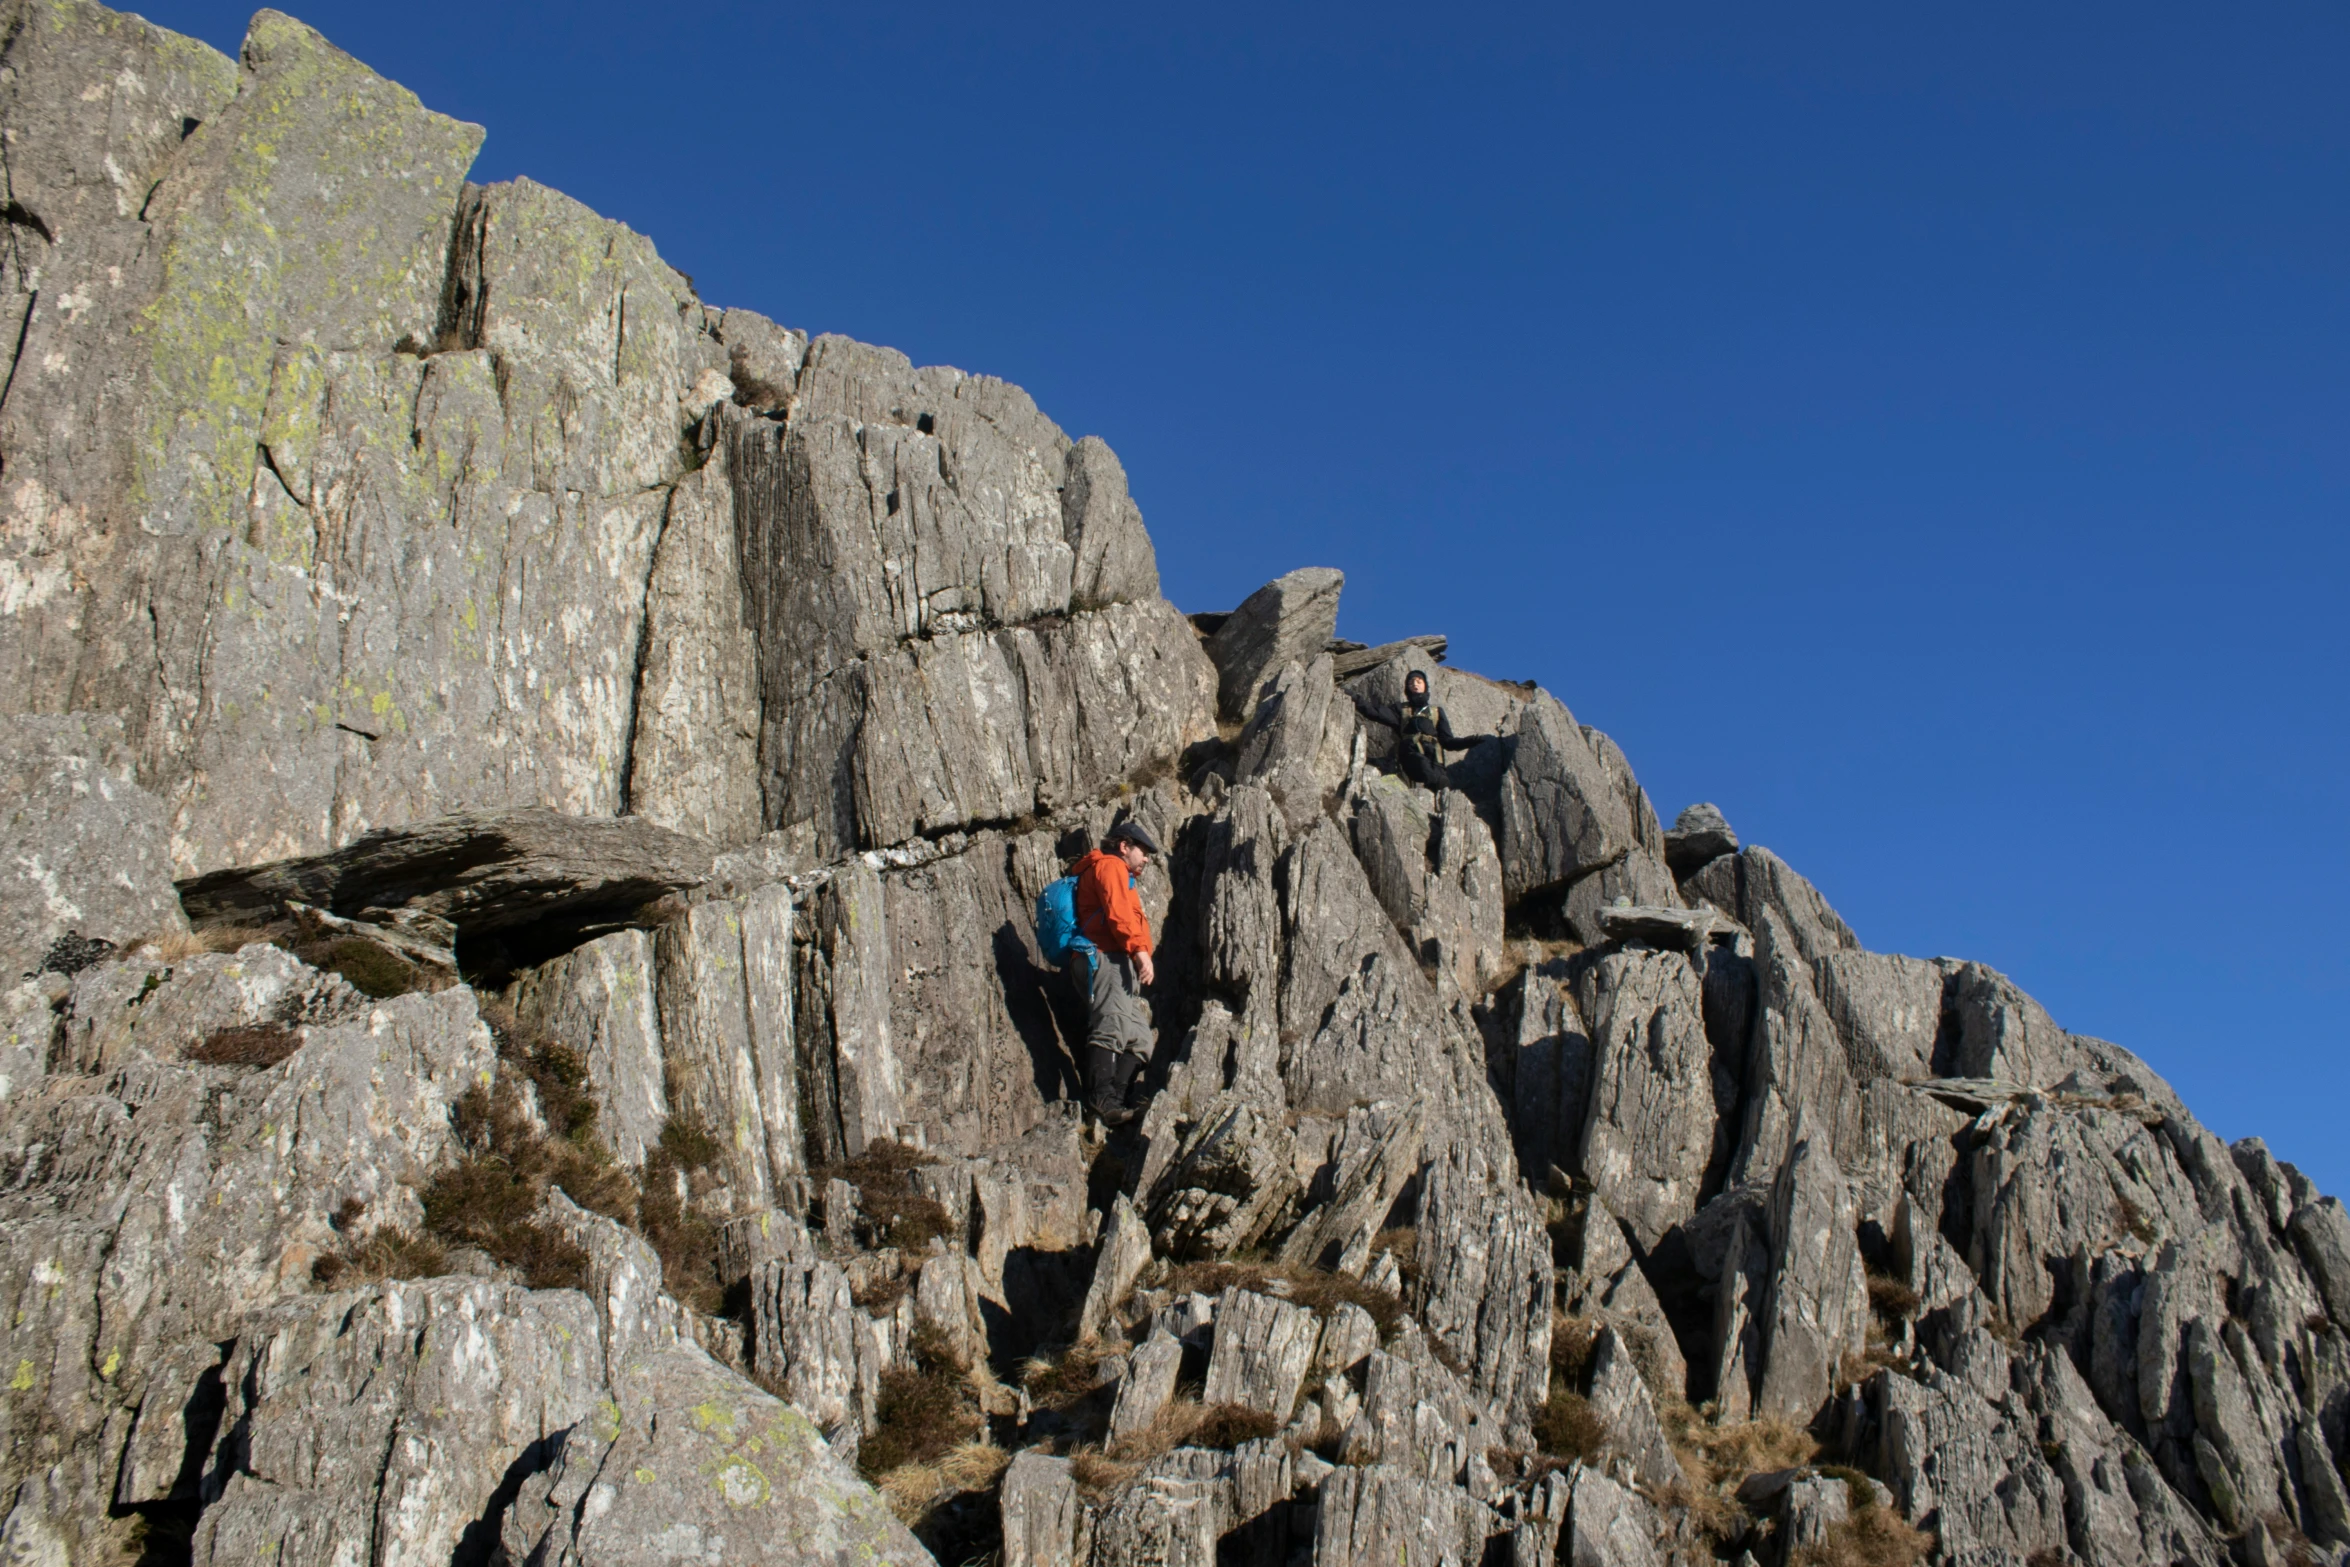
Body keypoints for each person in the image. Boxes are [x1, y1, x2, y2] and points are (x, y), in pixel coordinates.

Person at [1071, 819, 1162, 1126]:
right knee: (1110, 1024)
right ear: (1125, 846)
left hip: (1117, 962)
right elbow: (1118, 915)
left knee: (1140, 1040)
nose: (1147, 858)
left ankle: (1118, 1101)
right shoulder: (1111, 867)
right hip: (1104, 957)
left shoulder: (1122, 874)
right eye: (1144, 851)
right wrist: (1139, 952)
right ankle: (1101, 1101)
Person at [1350, 669, 1490, 792]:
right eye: (1411, 682)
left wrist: (1471, 741)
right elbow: (1374, 712)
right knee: (1425, 768)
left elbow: (1448, 742)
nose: (1415, 684)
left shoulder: (1436, 712)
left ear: (1425, 686)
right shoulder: (1401, 710)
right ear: (1407, 688)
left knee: (1442, 785)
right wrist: (1354, 697)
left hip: (1435, 758)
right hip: (1411, 755)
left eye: (1419, 681)